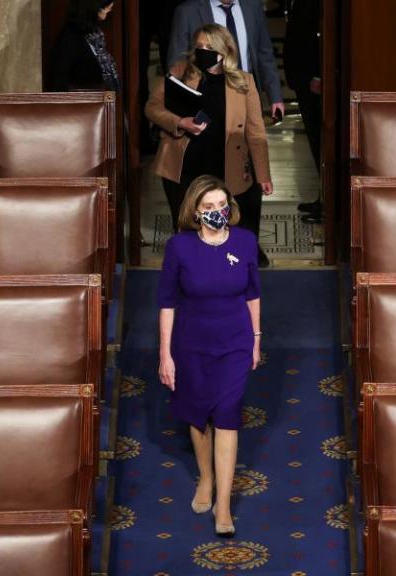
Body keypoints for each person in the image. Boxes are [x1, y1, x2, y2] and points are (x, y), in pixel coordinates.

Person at [157, 175, 262, 538]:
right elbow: (167, 303)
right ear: (195, 212)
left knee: (228, 414)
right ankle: (205, 478)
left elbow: (253, 294)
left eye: (222, 205)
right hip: (191, 344)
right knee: (198, 413)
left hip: (234, 342)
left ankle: (225, 504)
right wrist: (165, 354)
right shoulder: (179, 247)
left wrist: (256, 340)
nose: (218, 212)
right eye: (209, 208)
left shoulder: (246, 241)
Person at [145, 24, 273, 246]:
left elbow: (256, 132)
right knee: (187, 232)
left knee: (226, 234)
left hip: (225, 168)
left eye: (209, 47)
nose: (203, 51)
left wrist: (263, 175)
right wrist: (179, 122)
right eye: (199, 46)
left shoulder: (244, 82)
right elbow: (152, 108)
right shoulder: (180, 72)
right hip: (184, 168)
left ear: (225, 52)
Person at [167, 0, 284, 119]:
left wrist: (275, 97)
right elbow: (176, 63)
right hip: (207, 102)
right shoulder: (187, 11)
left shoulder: (253, 6)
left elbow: (264, 54)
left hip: (246, 96)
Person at [284, 0, 324, 223]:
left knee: (320, 139)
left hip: (312, 79)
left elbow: (322, 32)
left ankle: (327, 200)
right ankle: (323, 197)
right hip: (300, 75)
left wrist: (319, 74)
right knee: (314, 139)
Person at [48, 0, 120, 92]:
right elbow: (58, 80)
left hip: (101, 99)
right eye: (105, 7)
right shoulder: (70, 36)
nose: (109, 10)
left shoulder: (96, 34)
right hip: (80, 102)